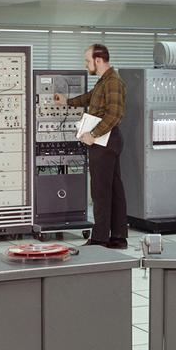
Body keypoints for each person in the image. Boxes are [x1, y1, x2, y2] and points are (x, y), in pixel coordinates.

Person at [54, 44, 128, 249]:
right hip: (106, 140)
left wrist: (93, 135)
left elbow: (115, 114)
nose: (86, 65)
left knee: (101, 191)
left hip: (104, 140)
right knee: (113, 189)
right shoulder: (104, 82)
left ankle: (100, 238)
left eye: (87, 61)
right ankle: (118, 237)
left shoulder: (113, 82)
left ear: (98, 60)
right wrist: (67, 101)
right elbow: (89, 98)